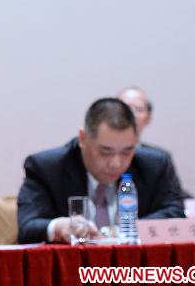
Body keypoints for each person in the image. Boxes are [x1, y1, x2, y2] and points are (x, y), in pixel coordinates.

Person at [17, 98, 184, 244]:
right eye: (105, 151)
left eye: (127, 151)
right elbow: (27, 226)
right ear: (83, 138)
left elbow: (175, 213)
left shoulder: (154, 165)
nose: (116, 163)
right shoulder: (47, 167)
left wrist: (126, 231)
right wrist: (58, 227)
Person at [119, 86, 191, 198]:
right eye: (126, 108)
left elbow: (173, 202)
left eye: (138, 109)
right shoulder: (94, 154)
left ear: (148, 118)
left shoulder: (159, 160)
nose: (131, 114)